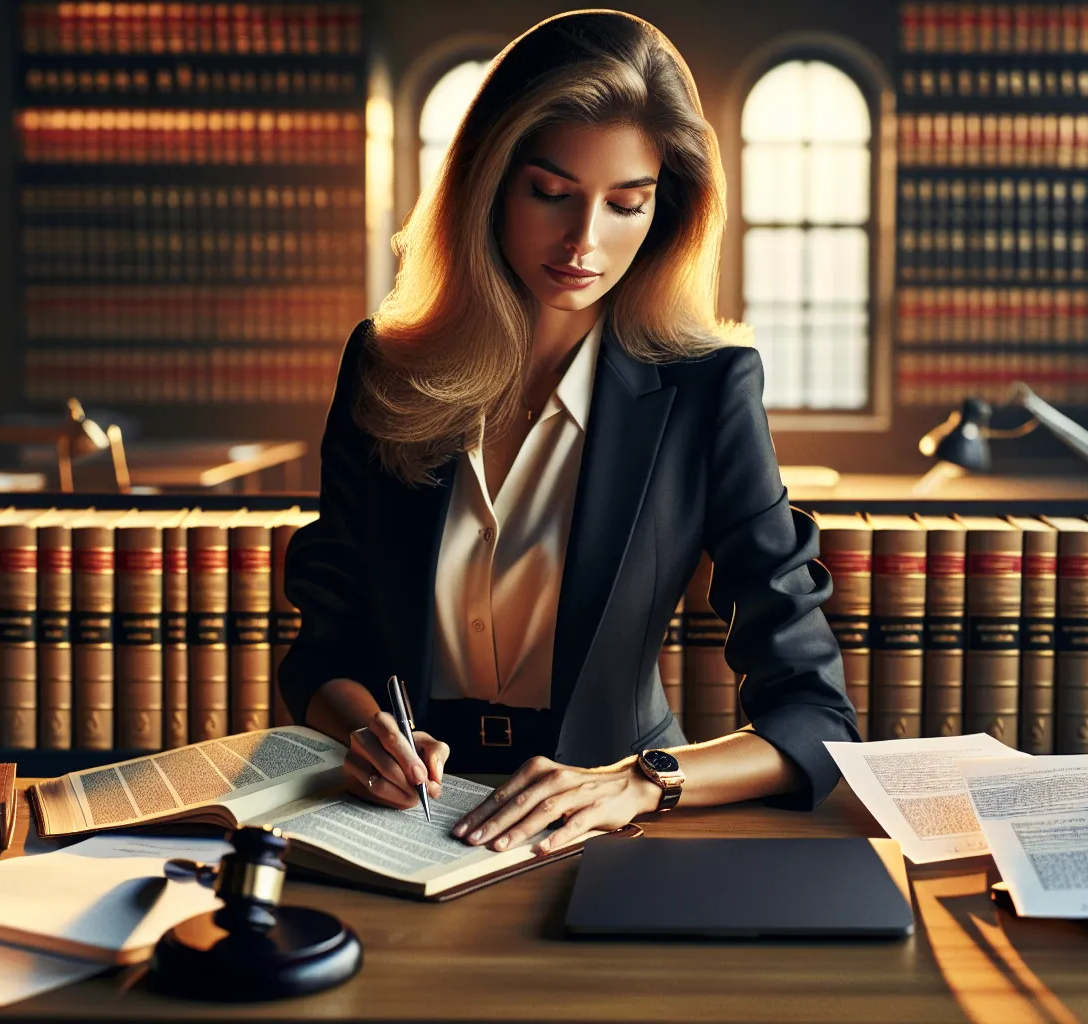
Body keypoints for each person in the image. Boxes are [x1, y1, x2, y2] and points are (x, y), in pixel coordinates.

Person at [279, 9, 858, 857]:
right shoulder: (386, 369)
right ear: (488, 183)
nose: (585, 241)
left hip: (606, 830)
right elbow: (323, 647)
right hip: (402, 824)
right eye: (551, 194)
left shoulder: (708, 390)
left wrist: (638, 782)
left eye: (627, 204)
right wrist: (369, 732)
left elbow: (815, 716)